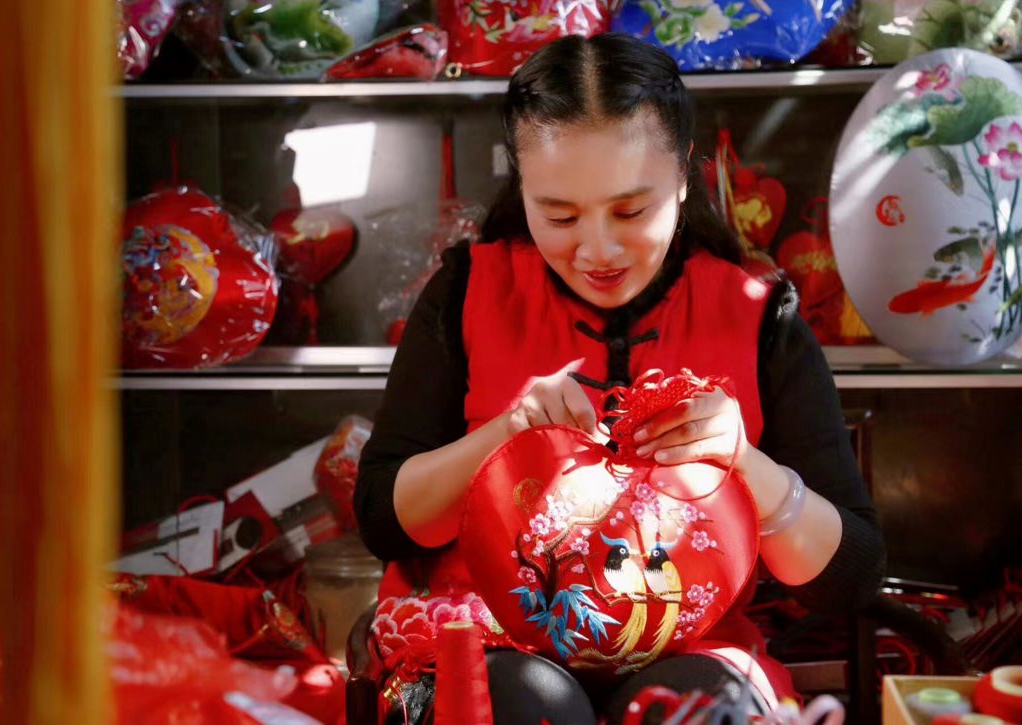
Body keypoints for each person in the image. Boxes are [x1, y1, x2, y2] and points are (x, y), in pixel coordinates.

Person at [355, 32, 885, 724]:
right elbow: (383, 521)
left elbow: (852, 579)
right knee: (528, 705)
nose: (597, 249)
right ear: (523, 188)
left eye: (631, 211)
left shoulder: (759, 313)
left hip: (697, 647)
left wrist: (746, 465)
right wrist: (504, 435)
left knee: (692, 711)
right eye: (559, 215)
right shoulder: (466, 292)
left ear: (684, 177)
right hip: (483, 641)